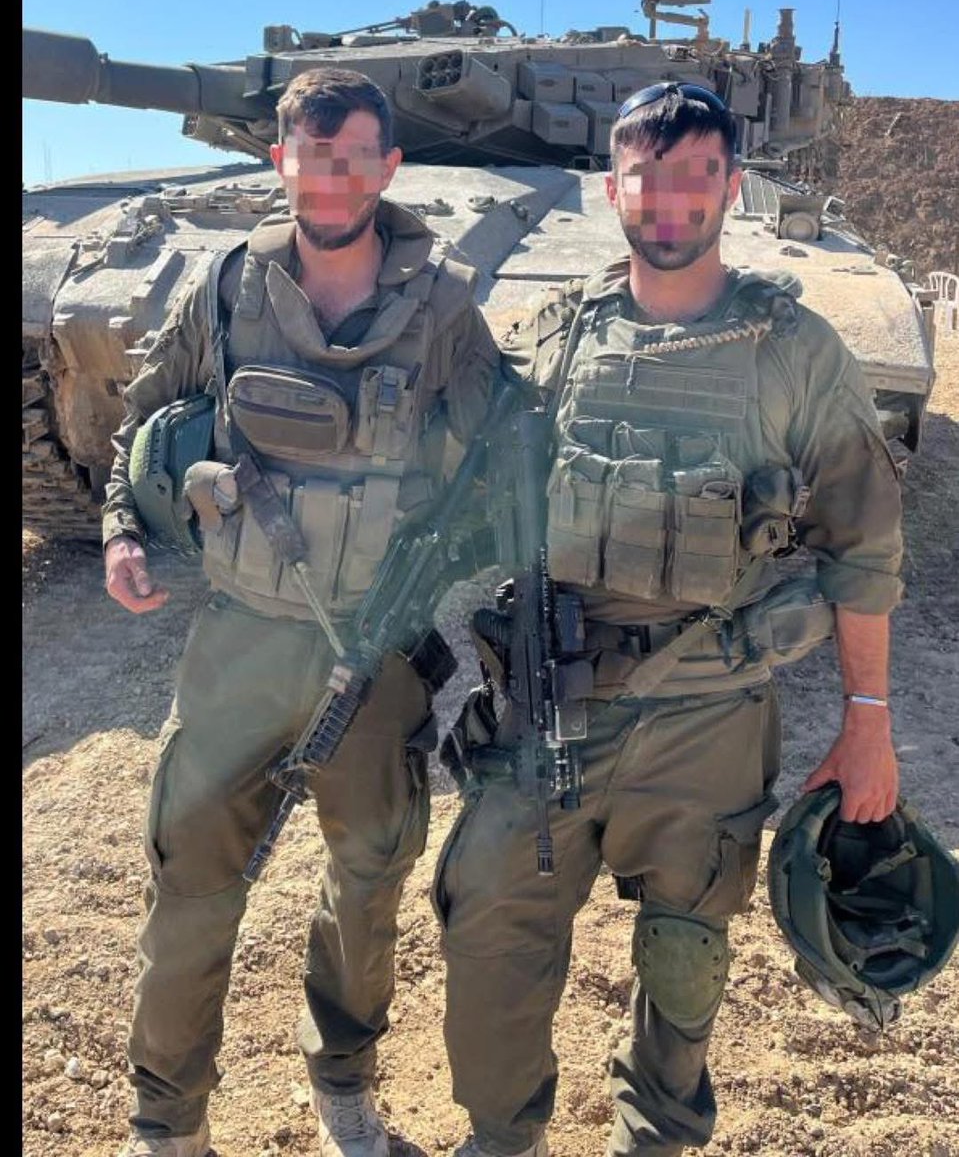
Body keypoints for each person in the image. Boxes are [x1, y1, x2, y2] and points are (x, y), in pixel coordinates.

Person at [433, 82, 904, 1157]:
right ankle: (501, 1133)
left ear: (730, 187)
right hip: (547, 702)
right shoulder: (559, 336)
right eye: (646, 176)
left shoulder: (794, 350)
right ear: (614, 190)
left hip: (709, 710)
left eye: (695, 174)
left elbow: (865, 544)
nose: (669, 197)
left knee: (685, 953)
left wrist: (868, 719)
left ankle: (655, 1131)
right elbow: (461, 484)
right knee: (488, 929)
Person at [102, 67, 500, 1157]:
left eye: (354, 158)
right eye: (312, 158)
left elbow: (503, 453)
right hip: (238, 642)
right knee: (190, 882)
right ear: (280, 161)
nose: (332, 180)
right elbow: (145, 418)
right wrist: (123, 528)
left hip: (375, 653)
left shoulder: (444, 308)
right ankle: (166, 1125)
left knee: (366, 887)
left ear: (388, 167)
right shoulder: (227, 287)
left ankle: (342, 1089)